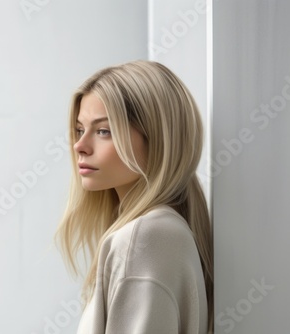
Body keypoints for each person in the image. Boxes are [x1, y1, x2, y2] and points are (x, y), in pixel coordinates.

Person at [53, 60, 213, 333]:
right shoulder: (166, 231)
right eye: (80, 130)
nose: (80, 145)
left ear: (158, 138)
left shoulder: (145, 237)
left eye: (103, 131)